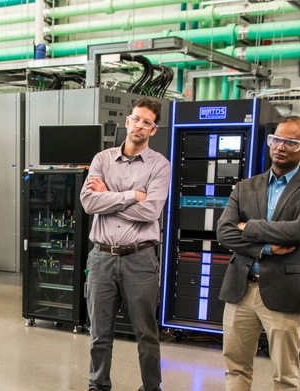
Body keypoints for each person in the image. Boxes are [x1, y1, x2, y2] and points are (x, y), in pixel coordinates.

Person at [216, 116, 300, 391]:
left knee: (284, 374)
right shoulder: (246, 187)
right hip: (241, 289)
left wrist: (249, 226)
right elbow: (224, 232)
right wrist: (266, 246)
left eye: (291, 142)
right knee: (235, 366)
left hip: (284, 290)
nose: (281, 146)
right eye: (277, 139)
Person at [80, 97, 170, 391]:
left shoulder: (160, 166)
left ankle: (151, 387)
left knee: (146, 333)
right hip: (101, 258)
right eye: (136, 119)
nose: (139, 126)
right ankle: (98, 385)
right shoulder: (102, 159)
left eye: (147, 122)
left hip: (139, 259)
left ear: (153, 130)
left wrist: (109, 195)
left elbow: (151, 211)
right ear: (127, 121)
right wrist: (132, 194)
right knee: (99, 332)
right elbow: (88, 202)